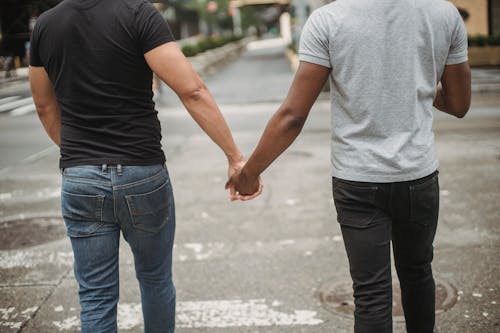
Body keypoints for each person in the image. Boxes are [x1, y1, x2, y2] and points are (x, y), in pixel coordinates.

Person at [227, 0, 470, 332]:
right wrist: (420, 90)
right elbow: (459, 103)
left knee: (371, 294)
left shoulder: (328, 21)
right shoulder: (444, 14)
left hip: (357, 181)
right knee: (417, 274)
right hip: (417, 176)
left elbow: (292, 117)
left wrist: (249, 173)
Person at [29, 0, 261, 332]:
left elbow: (43, 105)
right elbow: (192, 90)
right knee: (155, 279)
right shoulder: (138, 13)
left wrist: (81, 156)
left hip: (80, 177)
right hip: (141, 171)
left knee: (95, 295)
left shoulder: (47, 25)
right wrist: (236, 158)